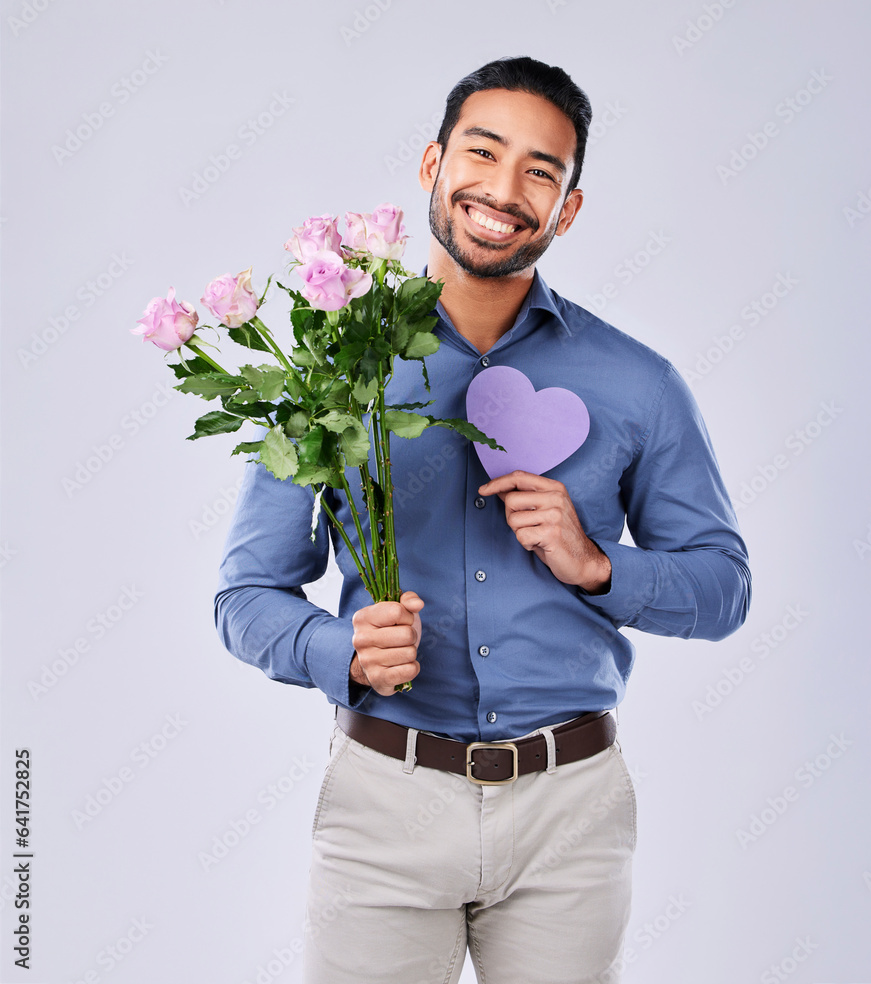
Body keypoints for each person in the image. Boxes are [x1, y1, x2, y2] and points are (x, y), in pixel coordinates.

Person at [215, 56, 751, 984]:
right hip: (385, 798)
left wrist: (599, 565)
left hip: (570, 815)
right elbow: (246, 594)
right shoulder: (326, 373)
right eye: (483, 152)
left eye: (541, 171)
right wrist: (335, 650)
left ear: (567, 209)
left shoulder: (638, 383)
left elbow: (723, 587)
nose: (504, 191)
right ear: (432, 166)